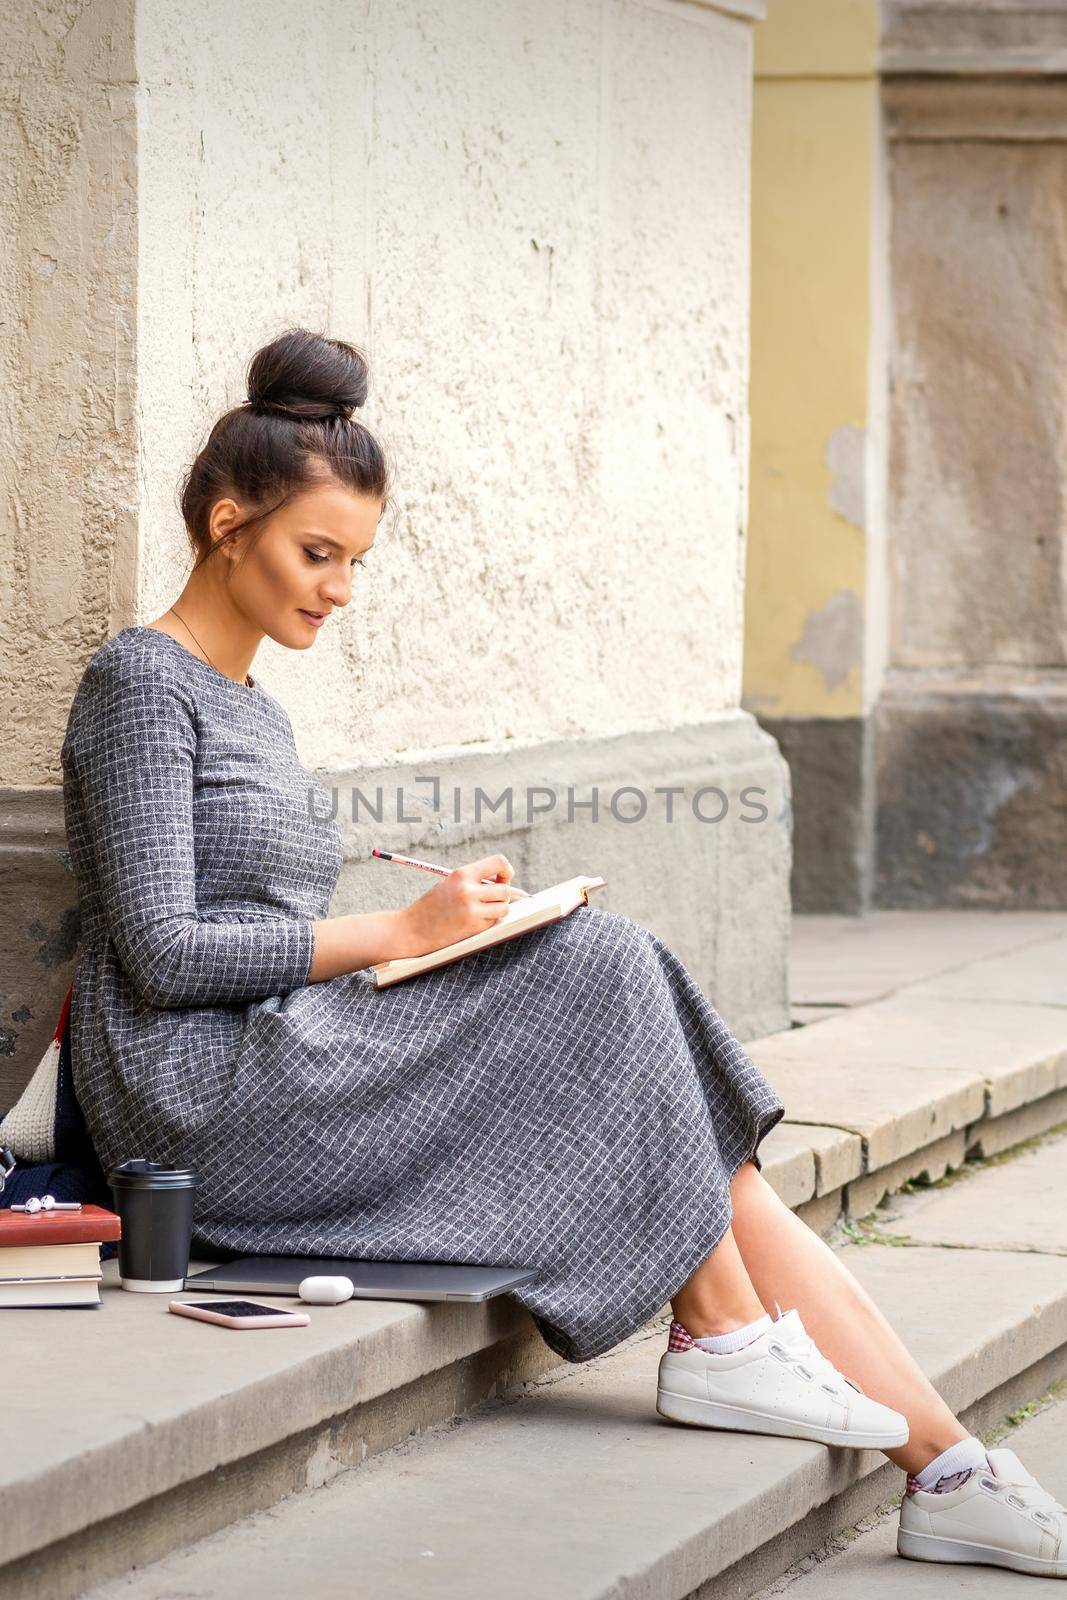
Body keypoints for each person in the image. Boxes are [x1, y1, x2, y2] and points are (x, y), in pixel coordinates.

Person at [61, 328, 1065, 1580]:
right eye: (315, 554)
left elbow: (254, 923)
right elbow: (161, 953)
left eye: (356, 562)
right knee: (598, 972)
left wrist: (443, 935)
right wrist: (398, 936)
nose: (339, 589)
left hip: (284, 1050)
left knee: (630, 1014)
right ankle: (728, 1349)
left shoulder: (253, 705)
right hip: (195, 1102)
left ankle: (948, 1463)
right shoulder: (136, 685)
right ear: (227, 523)